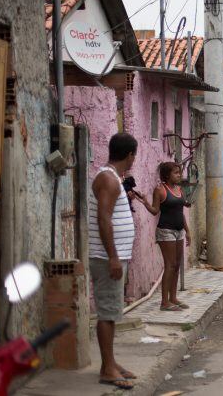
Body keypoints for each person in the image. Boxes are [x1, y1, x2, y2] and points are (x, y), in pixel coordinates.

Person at [88, 132, 138, 390]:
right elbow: (103, 219)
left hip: (113, 257)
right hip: (106, 258)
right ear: (130, 155)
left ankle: (111, 363)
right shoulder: (108, 179)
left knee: (112, 312)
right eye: (133, 156)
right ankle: (107, 369)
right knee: (107, 313)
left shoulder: (113, 178)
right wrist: (113, 257)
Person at [135, 162, 191, 311]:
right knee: (170, 265)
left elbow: (181, 213)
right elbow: (155, 211)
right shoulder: (160, 190)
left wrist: (188, 232)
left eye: (179, 172)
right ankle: (164, 302)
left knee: (177, 264)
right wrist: (145, 202)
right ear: (167, 175)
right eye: (176, 173)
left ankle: (173, 298)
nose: (179, 175)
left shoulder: (179, 190)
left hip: (179, 231)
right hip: (166, 231)